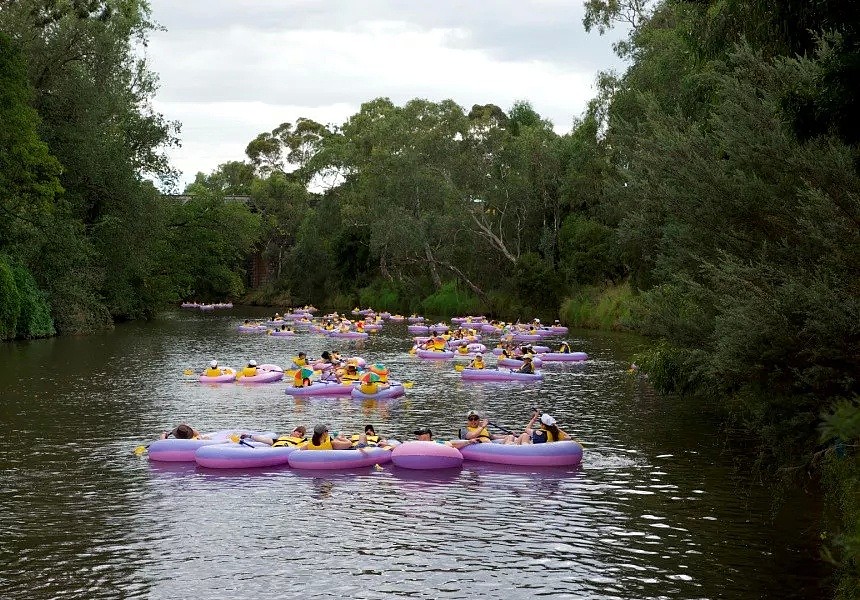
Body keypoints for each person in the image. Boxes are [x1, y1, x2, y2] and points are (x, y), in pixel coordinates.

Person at [243, 426, 308, 447]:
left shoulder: (302, 441)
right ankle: (248, 436)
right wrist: (249, 436)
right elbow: (264, 440)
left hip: (284, 449)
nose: (299, 434)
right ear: (294, 431)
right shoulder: (282, 438)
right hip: (274, 448)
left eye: (301, 434)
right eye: (299, 432)